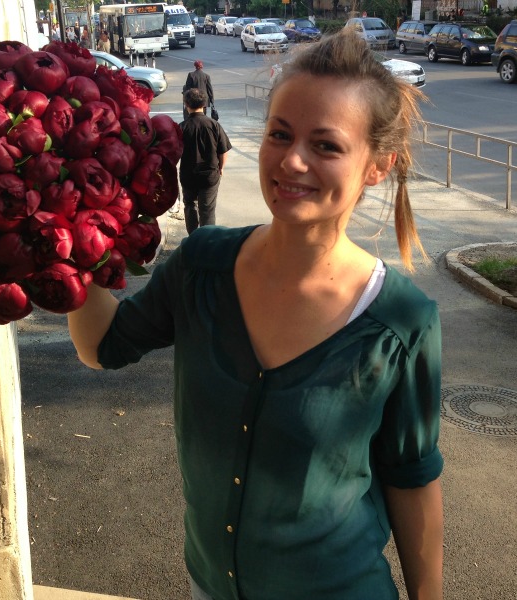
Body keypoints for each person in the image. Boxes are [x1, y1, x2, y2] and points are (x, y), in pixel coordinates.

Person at [67, 29, 444, 600]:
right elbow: (103, 347)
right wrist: (66, 229)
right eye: (280, 134)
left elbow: (411, 481)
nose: (292, 160)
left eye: (326, 145)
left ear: (377, 166)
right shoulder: (201, 267)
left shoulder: (401, 322)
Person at [179, 88, 232, 234]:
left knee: (189, 205)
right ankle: (207, 240)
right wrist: (221, 167)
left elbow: (175, 153)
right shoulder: (213, 125)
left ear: (186, 104)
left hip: (188, 175)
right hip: (209, 175)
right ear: (204, 104)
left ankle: (193, 238)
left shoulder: (182, 127)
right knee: (207, 209)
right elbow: (223, 150)